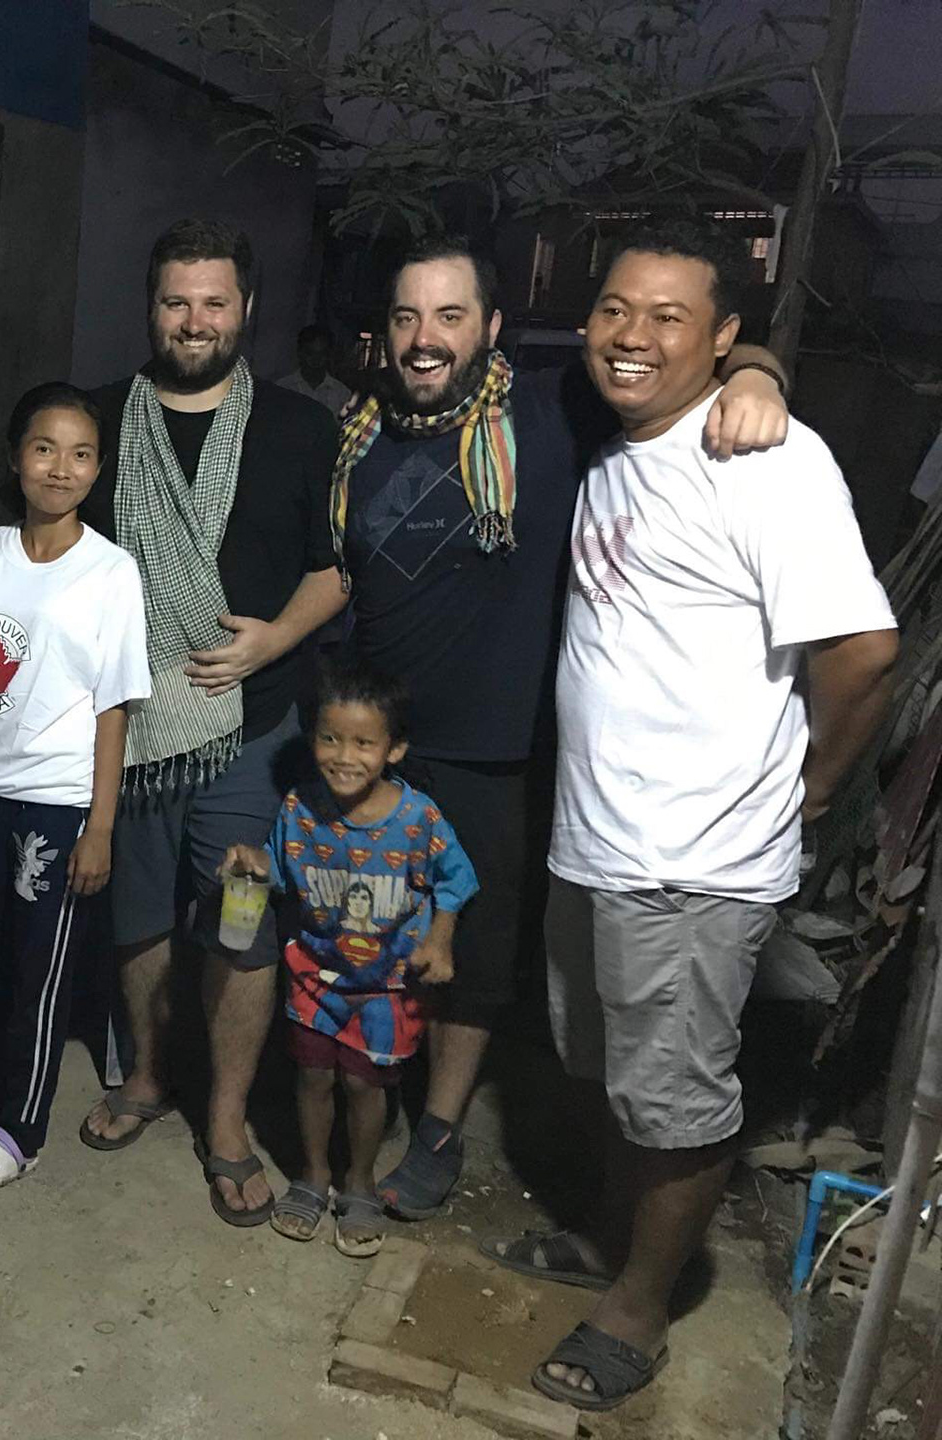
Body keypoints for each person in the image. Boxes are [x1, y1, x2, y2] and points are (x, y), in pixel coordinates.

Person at [481, 220, 898, 1411]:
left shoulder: (771, 463)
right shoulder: (619, 441)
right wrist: (761, 364)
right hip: (597, 842)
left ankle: (639, 1308)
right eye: (616, 309)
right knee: (612, 1075)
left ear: (719, 339)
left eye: (671, 318)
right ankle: (612, 1241)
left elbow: (864, 653)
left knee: (673, 1105)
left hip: (694, 862)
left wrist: (813, 790)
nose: (633, 336)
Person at [330, 233, 796, 1221]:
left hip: (496, 752)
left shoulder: (548, 411)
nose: (425, 338)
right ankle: (366, 1097)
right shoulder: (359, 435)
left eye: (450, 316)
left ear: (492, 327)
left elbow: (675, 364)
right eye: (408, 317)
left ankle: (441, 1127)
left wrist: (759, 373)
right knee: (371, 932)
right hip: (374, 746)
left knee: (476, 954)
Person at [75, 218, 346, 1229]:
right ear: (151, 308)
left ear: (247, 310)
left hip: (250, 729)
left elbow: (333, 571)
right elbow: (43, 530)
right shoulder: (100, 419)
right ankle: (149, 1075)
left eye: (215, 302)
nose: (195, 321)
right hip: (136, 727)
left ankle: (226, 1120)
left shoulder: (299, 428)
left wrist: (274, 642)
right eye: (176, 301)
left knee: (240, 924)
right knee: (139, 917)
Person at [0, 383, 150, 1193]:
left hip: (55, 802)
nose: (60, 468)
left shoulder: (111, 572)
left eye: (81, 454)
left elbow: (114, 707)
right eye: (44, 448)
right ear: (16, 458)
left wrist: (100, 825)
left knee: (37, 972)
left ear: (98, 468)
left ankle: (23, 1126)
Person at [217, 661, 477, 1258]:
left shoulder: (418, 819)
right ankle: (312, 1176)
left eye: (363, 743)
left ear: (394, 749)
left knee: (363, 1084)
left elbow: (458, 878)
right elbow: (278, 870)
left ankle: (359, 1182)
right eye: (330, 738)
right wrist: (251, 863)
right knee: (312, 1078)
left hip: (388, 986)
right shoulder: (298, 809)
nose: (344, 756)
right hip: (315, 977)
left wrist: (439, 939)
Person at [273, 322, 353, 416]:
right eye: (310, 353)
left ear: (329, 355)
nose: (316, 359)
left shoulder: (342, 394)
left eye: (321, 354)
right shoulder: (283, 388)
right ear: (300, 353)